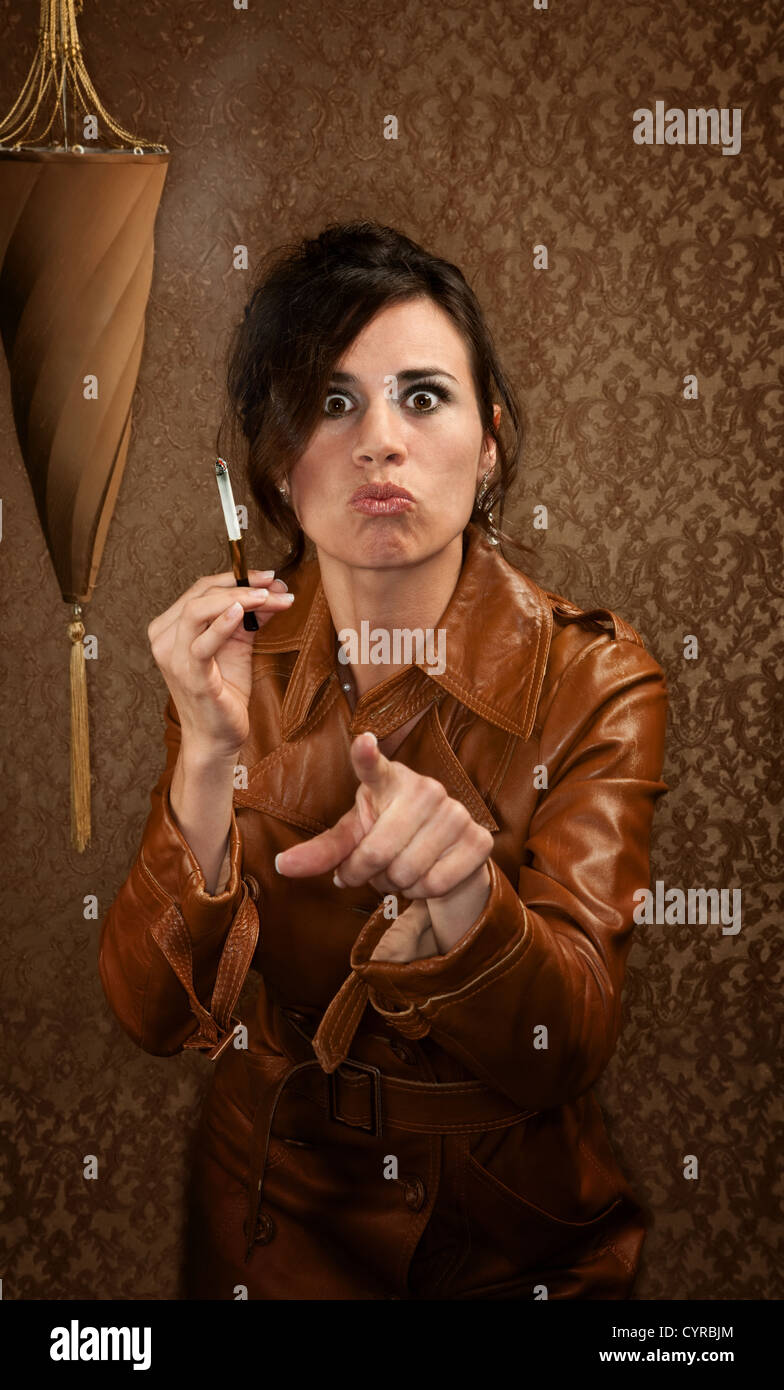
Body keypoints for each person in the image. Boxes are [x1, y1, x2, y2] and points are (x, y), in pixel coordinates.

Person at [98, 220, 669, 1300]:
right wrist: (204, 764)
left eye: (421, 395)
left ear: (489, 438)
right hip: (272, 1208)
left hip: (512, 1229)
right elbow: (153, 1013)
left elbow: (566, 1041)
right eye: (330, 401)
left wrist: (465, 901)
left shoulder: (597, 675)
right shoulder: (236, 663)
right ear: (275, 456)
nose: (377, 442)